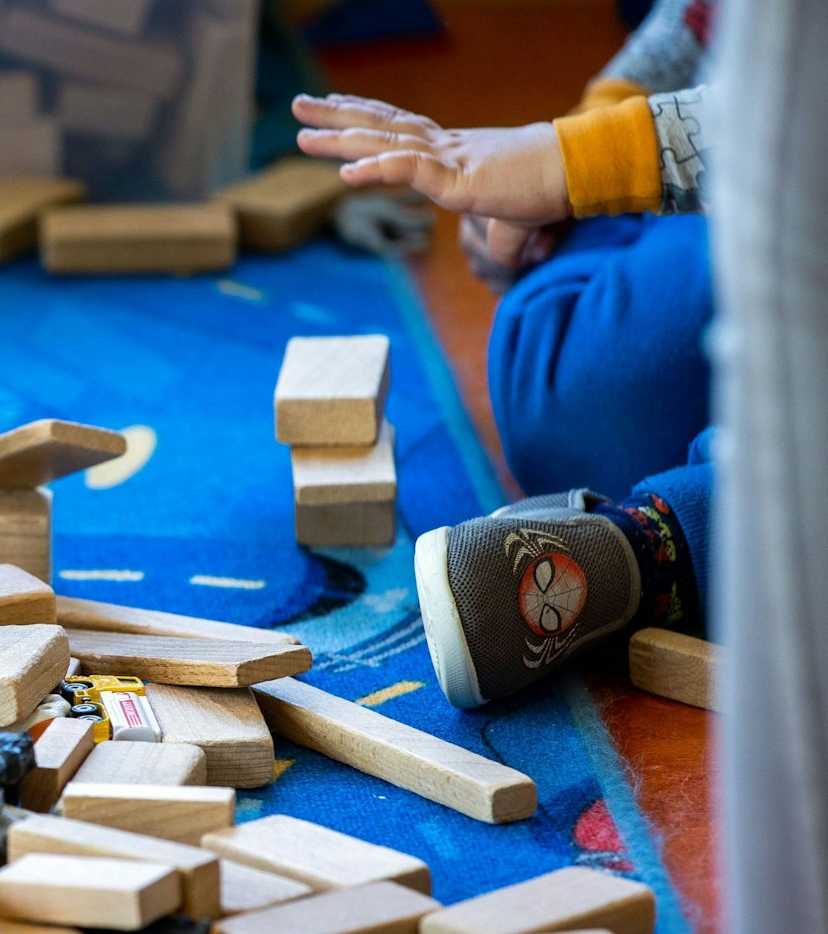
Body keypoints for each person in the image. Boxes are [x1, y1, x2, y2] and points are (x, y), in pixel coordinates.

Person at [290, 0, 717, 707]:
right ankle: (601, 234)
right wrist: (577, 171)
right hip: (761, 188)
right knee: (567, 400)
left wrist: (574, 163)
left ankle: (655, 548)